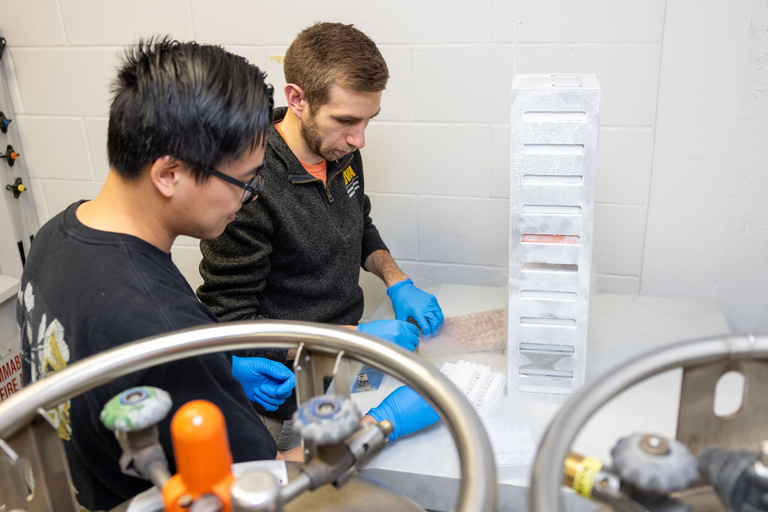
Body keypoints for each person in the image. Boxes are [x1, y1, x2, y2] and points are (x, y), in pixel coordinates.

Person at [197, 21, 445, 451]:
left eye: (369, 120)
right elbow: (231, 324)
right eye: (347, 120)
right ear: (297, 99)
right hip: (288, 400)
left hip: (349, 369)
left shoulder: (341, 151)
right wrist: (354, 339)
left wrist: (396, 280)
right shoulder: (247, 184)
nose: (359, 138)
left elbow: (358, 223)